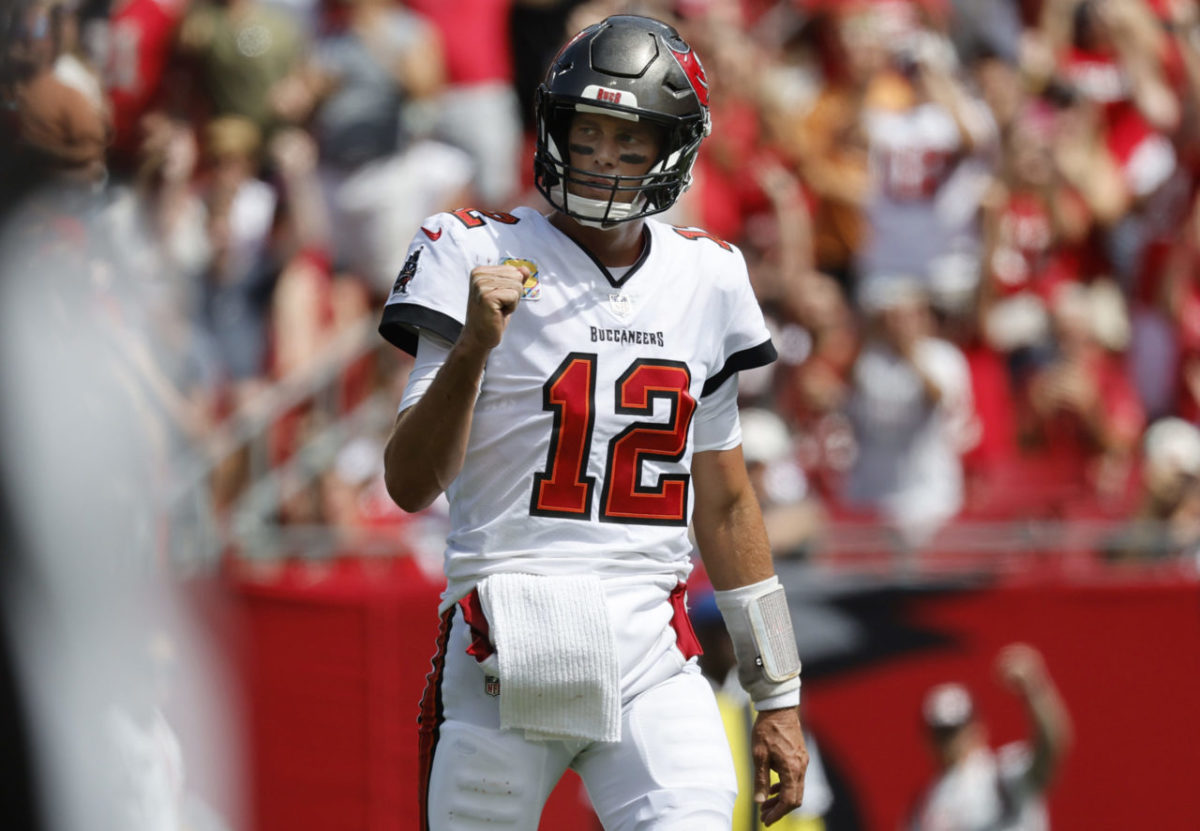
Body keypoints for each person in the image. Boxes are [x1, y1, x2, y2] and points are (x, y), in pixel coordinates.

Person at [378, 15, 809, 829]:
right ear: (554, 131)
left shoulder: (707, 277)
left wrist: (777, 690)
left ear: (672, 150)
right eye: (588, 133)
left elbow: (724, 504)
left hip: (651, 645)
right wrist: (473, 348)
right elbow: (408, 482)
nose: (604, 158)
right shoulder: (468, 248)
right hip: (501, 637)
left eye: (629, 140)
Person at [909, 643, 1071, 831]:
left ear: (978, 727)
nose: (951, 741)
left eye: (957, 730)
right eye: (942, 734)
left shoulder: (1001, 774)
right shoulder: (924, 807)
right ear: (927, 741)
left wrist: (1034, 689)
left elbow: (1049, 751)